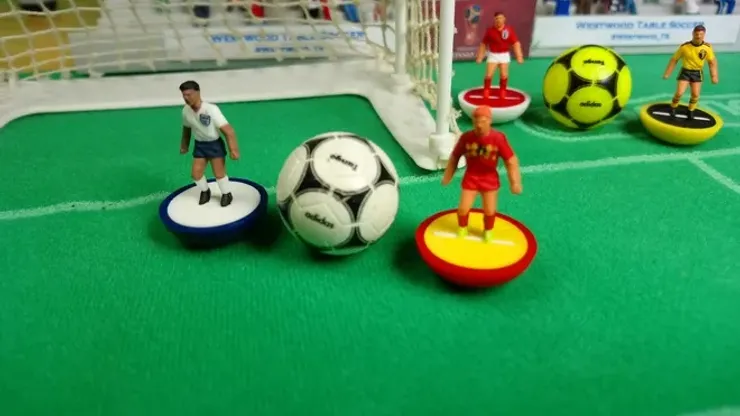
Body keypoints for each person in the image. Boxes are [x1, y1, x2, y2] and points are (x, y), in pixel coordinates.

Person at [441, 106, 522, 243]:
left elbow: (511, 161)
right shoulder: (466, 138)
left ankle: (488, 231)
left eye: (483, 121)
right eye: (476, 122)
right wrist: (448, 176)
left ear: (489, 121)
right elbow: (455, 157)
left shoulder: (498, 138)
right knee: (463, 209)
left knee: (490, 210)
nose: (479, 125)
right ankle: (462, 228)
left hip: (489, 179)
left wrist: (515, 182)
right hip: (471, 177)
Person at [179, 81, 240, 207]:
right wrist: (184, 145)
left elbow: (228, 131)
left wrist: (233, 149)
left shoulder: (211, 109)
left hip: (214, 145)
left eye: (189, 94)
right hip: (200, 146)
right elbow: (186, 129)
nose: (186, 98)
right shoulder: (185, 111)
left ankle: (226, 194)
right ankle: (205, 191)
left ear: (198, 93)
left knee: (219, 174)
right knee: (196, 174)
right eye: (184, 95)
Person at [662, 25, 719, 120]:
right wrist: (668, 73)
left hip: (697, 73)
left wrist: (714, 76)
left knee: (695, 94)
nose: (698, 36)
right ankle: (673, 107)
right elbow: (674, 59)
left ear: (704, 35)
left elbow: (712, 62)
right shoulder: (684, 47)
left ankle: (691, 110)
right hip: (685, 72)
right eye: (696, 34)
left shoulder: (707, 48)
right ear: (693, 34)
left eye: (701, 34)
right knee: (679, 92)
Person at [475, 12, 524, 101]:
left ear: (504, 19)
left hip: (504, 55)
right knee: (488, 75)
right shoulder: (490, 31)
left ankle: (503, 90)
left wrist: (519, 56)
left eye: (501, 18)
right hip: (493, 55)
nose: (499, 20)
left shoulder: (509, 30)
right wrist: (480, 57)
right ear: (494, 20)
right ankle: (486, 90)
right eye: (497, 18)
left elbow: (516, 43)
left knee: (504, 75)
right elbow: (483, 44)